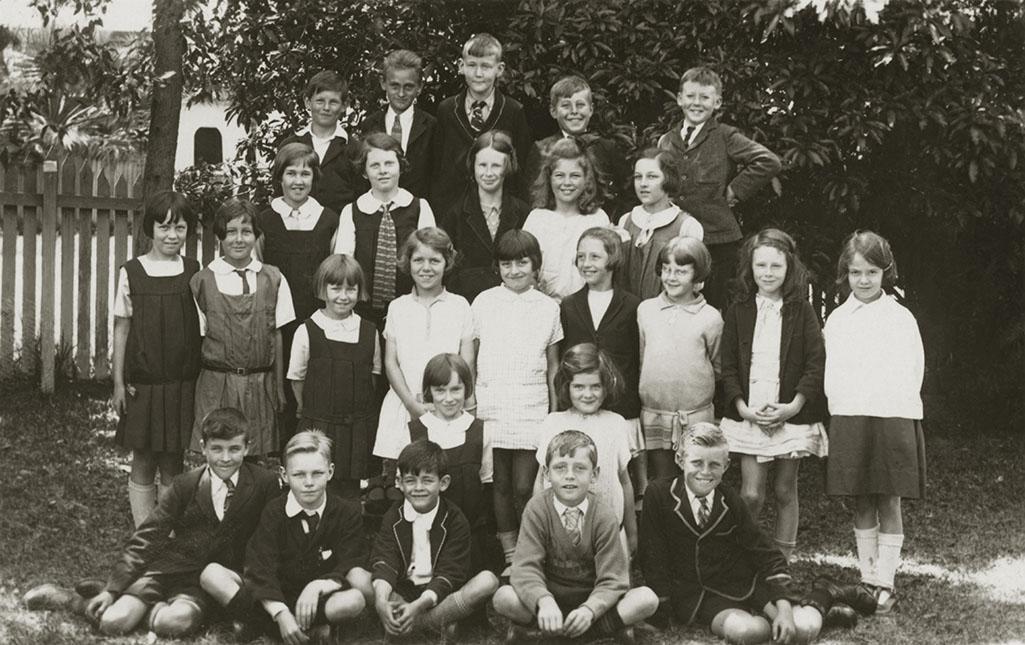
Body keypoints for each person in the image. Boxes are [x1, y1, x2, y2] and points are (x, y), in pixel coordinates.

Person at [23, 408, 281, 637]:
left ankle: (150, 606)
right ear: (203, 447)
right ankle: (73, 600)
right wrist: (113, 589)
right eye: (217, 449)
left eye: (234, 449)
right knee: (114, 623)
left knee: (173, 623)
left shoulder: (265, 483)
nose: (225, 458)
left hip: (213, 580)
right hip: (171, 569)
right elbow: (148, 536)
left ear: (247, 447)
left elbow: (272, 538)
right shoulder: (186, 484)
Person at [640, 423, 874, 643]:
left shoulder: (728, 498)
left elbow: (764, 551)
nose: (705, 472)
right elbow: (653, 557)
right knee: (745, 632)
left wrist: (782, 610)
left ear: (727, 465)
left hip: (745, 584)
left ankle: (823, 593)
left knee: (804, 629)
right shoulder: (659, 495)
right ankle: (818, 608)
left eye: (714, 465)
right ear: (680, 460)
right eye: (696, 463)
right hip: (698, 595)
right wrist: (660, 610)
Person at [824, 230, 926, 614]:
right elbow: (831, 370)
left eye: (871, 272)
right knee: (861, 497)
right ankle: (867, 579)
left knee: (889, 497)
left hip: (892, 415)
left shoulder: (901, 318)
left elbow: (914, 369)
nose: (863, 280)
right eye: (855, 272)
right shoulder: (837, 319)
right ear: (845, 274)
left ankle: (885, 581)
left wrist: (895, 407)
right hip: (851, 415)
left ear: (886, 272)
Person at [719, 228, 828, 561]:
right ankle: (745, 557)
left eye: (775, 267)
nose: (767, 273)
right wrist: (743, 408)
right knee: (751, 493)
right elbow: (728, 366)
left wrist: (793, 406)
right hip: (750, 412)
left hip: (788, 413)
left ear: (789, 268)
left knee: (784, 489)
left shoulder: (801, 311)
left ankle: (781, 562)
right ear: (750, 267)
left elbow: (815, 362)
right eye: (760, 265)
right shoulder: (739, 309)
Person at [493, 431, 659, 644]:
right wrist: (543, 601)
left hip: (592, 602)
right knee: (504, 597)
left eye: (580, 468)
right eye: (560, 468)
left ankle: (564, 632)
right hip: (548, 601)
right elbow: (525, 568)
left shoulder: (604, 514)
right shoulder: (537, 509)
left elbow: (613, 578)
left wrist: (590, 609)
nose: (569, 475)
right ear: (546, 473)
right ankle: (597, 631)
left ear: (595, 474)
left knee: (646, 599)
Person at [210, 430, 372, 643]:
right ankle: (299, 632)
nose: (309, 482)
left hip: (320, 601)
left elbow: (351, 561)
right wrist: (281, 613)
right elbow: (260, 566)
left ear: (330, 472)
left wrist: (319, 586)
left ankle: (271, 632)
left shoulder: (346, 512)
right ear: (284, 475)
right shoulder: (274, 511)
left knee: (354, 599)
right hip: (275, 597)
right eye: (299, 474)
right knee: (211, 574)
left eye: (317, 473)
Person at [472, 229, 562, 577]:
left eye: (521, 263)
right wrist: (474, 400)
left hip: (531, 404)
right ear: (497, 267)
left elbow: (553, 364)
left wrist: (554, 412)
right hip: (493, 400)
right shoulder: (484, 302)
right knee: (499, 483)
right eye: (506, 264)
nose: (514, 271)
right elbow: (474, 354)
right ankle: (510, 556)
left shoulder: (549, 308)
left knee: (526, 485)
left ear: (535, 265)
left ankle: (530, 550)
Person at [656, 66, 782, 310]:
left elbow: (769, 161)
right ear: (680, 99)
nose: (697, 103)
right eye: (691, 96)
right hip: (675, 237)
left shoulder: (725, 136)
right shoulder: (667, 141)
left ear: (717, 102)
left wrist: (735, 190)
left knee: (713, 308)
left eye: (705, 97)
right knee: (675, 303)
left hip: (717, 240)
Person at [111, 190, 201, 527]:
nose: (171, 235)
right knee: (144, 456)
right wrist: (119, 382)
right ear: (150, 229)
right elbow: (122, 327)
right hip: (143, 384)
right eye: (164, 227)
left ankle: (167, 529)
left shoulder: (193, 271)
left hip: (180, 383)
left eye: (179, 228)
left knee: (173, 459)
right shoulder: (131, 272)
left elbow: (201, 328)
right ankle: (143, 529)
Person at [190, 198, 294, 458]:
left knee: (255, 457)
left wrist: (279, 387)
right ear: (219, 237)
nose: (239, 239)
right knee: (219, 455)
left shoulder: (274, 278)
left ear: (256, 236)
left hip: (260, 384)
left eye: (246, 232)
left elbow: (277, 335)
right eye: (231, 232)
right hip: (217, 383)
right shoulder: (202, 281)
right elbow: (195, 340)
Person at [370, 440, 499, 638]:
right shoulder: (393, 516)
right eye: (411, 480)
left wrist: (419, 606)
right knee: (361, 578)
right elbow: (386, 560)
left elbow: (450, 572)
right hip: (403, 592)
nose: (418, 488)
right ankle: (429, 623)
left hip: (439, 594)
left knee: (487, 581)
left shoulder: (455, 520)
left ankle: (420, 623)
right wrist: (381, 601)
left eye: (427, 480)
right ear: (400, 483)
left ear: (443, 483)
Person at [256, 142, 339, 447]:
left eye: (305, 173)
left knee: (315, 389)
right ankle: (284, 462)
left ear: (314, 178)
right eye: (291, 173)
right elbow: (260, 270)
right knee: (282, 392)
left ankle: (318, 456)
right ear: (279, 177)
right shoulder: (265, 219)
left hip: (317, 320)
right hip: (278, 323)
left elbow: (335, 272)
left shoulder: (329, 219)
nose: (298, 180)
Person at [374, 228, 475, 468]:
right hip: (405, 403)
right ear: (408, 263)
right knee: (407, 475)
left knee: (444, 471)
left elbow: (467, 360)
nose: (426, 268)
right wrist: (411, 404)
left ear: (447, 262)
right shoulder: (398, 307)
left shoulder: (460, 306)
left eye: (434, 260)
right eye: (418, 260)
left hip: (448, 405)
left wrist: (451, 402)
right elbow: (391, 362)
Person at [560, 226, 646, 503]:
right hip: (582, 405)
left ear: (612, 259)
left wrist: (633, 406)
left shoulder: (633, 306)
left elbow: (639, 358)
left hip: (622, 407)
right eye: (581, 256)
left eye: (594, 257)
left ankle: (627, 536)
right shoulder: (569, 305)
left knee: (622, 478)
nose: (586, 263)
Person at [287, 254, 382, 498]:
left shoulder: (369, 331)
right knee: (316, 486)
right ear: (322, 288)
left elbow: (372, 377)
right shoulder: (307, 330)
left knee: (349, 491)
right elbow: (297, 378)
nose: (343, 296)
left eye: (351, 288)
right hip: (319, 424)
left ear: (360, 291)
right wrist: (306, 409)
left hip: (355, 427)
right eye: (336, 288)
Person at [533, 344, 637, 558]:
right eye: (579, 387)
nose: (588, 394)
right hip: (562, 534)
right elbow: (540, 481)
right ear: (566, 387)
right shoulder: (553, 423)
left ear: (606, 386)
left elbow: (624, 482)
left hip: (609, 532)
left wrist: (632, 533)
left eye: (595, 387)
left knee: (614, 586)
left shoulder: (617, 424)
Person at [637, 236, 723, 480]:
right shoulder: (646, 310)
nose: (671, 277)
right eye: (666, 269)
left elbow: (717, 366)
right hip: (656, 412)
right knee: (662, 480)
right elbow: (644, 357)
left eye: (681, 271)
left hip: (695, 414)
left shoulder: (710, 317)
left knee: (697, 477)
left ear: (697, 275)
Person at [332, 132, 436, 330]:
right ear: (364, 172)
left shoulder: (419, 207)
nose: (383, 171)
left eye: (389, 164)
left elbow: (429, 260)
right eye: (374, 165)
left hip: (411, 306)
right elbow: (344, 265)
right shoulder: (352, 211)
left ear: (400, 166)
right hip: (363, 311)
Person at [431, 32, 532, 210]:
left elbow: (520, 167)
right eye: (472, 65)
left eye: (486, 66)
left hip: (497, 206)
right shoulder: (446, 109)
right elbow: (437, 163)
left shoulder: (513, 110)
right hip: (452, 208)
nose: (478, 73)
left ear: (499, 69)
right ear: (461, 66)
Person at [408, 353, 489, 573]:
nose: (448, 398)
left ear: (467, 389)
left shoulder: (479, 431)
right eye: (440, 390)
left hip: (468, 538)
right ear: (429, 392)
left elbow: (485, 482)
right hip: (424, 538)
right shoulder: (414, 430)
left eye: (456, 389)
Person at [523, 75, 631, 216]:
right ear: (553, 111)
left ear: (591, 110)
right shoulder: (541, 149)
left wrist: (613, 221)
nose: (574, 111)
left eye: (580, 105)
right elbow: (532, 195)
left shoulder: (606, 147)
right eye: (566, 106)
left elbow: (628, 191)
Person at [444, 129, 530, 303]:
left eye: (496, 166)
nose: (488, 173)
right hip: (469, 302)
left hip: (514, 303)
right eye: (482, 165)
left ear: (507, 167)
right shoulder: (456, 213)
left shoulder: (523, 212)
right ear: (473, 166)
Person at [523, 137, 610, 302]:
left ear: (587, 180)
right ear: (549, 178)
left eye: (575, 176)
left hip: (586, 309)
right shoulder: (537, 218)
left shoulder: (597, 219)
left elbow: (605, 274)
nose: (567, 183)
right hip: (545, 307)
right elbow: (527, 270)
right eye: (559, 175)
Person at [617, 147, 704, 300]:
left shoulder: (686, 225)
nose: (643, 184)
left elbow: (693, 283)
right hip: (625, 313)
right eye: (638, 177)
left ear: (668, 179)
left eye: (652, 177)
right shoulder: (626, 220)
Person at [278, 70, 363, 213]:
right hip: (297, 228)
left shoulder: (354, 149)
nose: (326, 108)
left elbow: (360, 197)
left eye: (334, 102)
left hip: (340, 229)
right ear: (307, 102)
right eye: (320, 101)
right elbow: (279, 192)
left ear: (344, 105)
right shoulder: (290, 145)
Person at [359, 49, 436, 199]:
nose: (401, 94)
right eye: (394, 86)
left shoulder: (431, 125)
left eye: (408, 87)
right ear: (383, 84)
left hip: (418, 210)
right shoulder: (370, 124)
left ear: (419, 87)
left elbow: (436, 175)